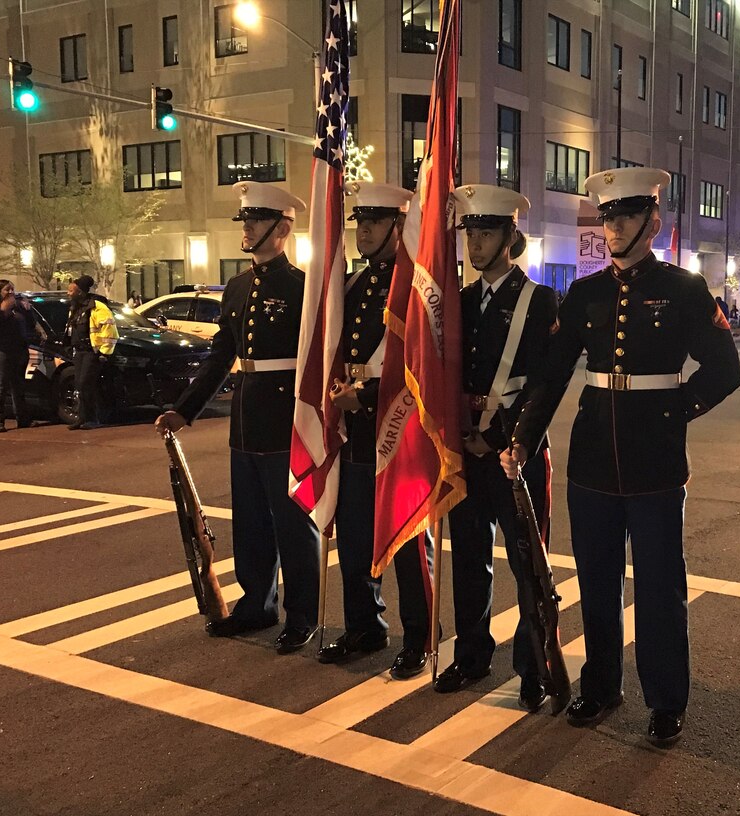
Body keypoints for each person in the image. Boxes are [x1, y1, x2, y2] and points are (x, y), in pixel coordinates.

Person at [501, 167, 740, 746]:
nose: (614, 227)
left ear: (652, 223)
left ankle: (665, 699)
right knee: (598, 581)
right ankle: (602, 684)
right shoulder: (585, 294)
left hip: (655, 461)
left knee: (660, 586)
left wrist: (674, 410)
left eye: (626, 216)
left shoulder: (684, 289)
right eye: (607, 217)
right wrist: (523, 439)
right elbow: (554, 376)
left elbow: (726, 369)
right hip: (591, 460)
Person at [154, 181, 321, 655]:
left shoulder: (303, 287)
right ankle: (256, 605)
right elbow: (219, 358)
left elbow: (318, 360)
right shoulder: (238, 287)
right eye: (245, 220)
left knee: (292, 524)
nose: (245, 227)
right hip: (246, 420)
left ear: (282, 227)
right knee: (250, 522)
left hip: (287, 420)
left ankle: (302, 614)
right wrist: (184, 410)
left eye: (255, 219)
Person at [432, 184, 560, 712]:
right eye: (470, 234)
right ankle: (471, 653)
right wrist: (454, 433)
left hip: (514, 453)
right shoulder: (458, 302)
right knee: (468, 557)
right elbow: (445, 375)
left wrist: (498, 434)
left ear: (511, 236)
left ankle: (532, 666)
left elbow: (544, 383)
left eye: (486, 233)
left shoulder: (540, 300)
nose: (475, 244)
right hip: (466, 448)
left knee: (526, 561)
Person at [315, 182, 437, 680]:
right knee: (357, 532)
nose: (362, 230)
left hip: (398, 425)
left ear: (396, 227)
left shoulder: (413, 285)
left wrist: (363, 398)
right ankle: (365, 625)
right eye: (359, 221)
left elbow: (418, 361)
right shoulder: (354, 284)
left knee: (405, 535)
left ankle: (420, 635)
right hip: (356, 430)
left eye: (373, 222)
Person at [0, 279, 39, 432]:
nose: (11, 292)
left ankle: (23, 419)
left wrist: (27, 310)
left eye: (12, 289)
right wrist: (2, 312)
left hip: (18, 350)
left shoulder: (18, 306)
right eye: (7, 289)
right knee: (1, 385)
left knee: (18, 386)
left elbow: (30, 325)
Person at [64, 275, 118, 430]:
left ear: (80, 292)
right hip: (80, 352)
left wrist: (103, 353)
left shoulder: (98, 307)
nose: (68, 293)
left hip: (92, 352)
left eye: (71, 290)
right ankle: (82, 418)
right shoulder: (75, 307)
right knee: (80, 386)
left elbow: (110, 331)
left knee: (86, 384)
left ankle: (93, 419)